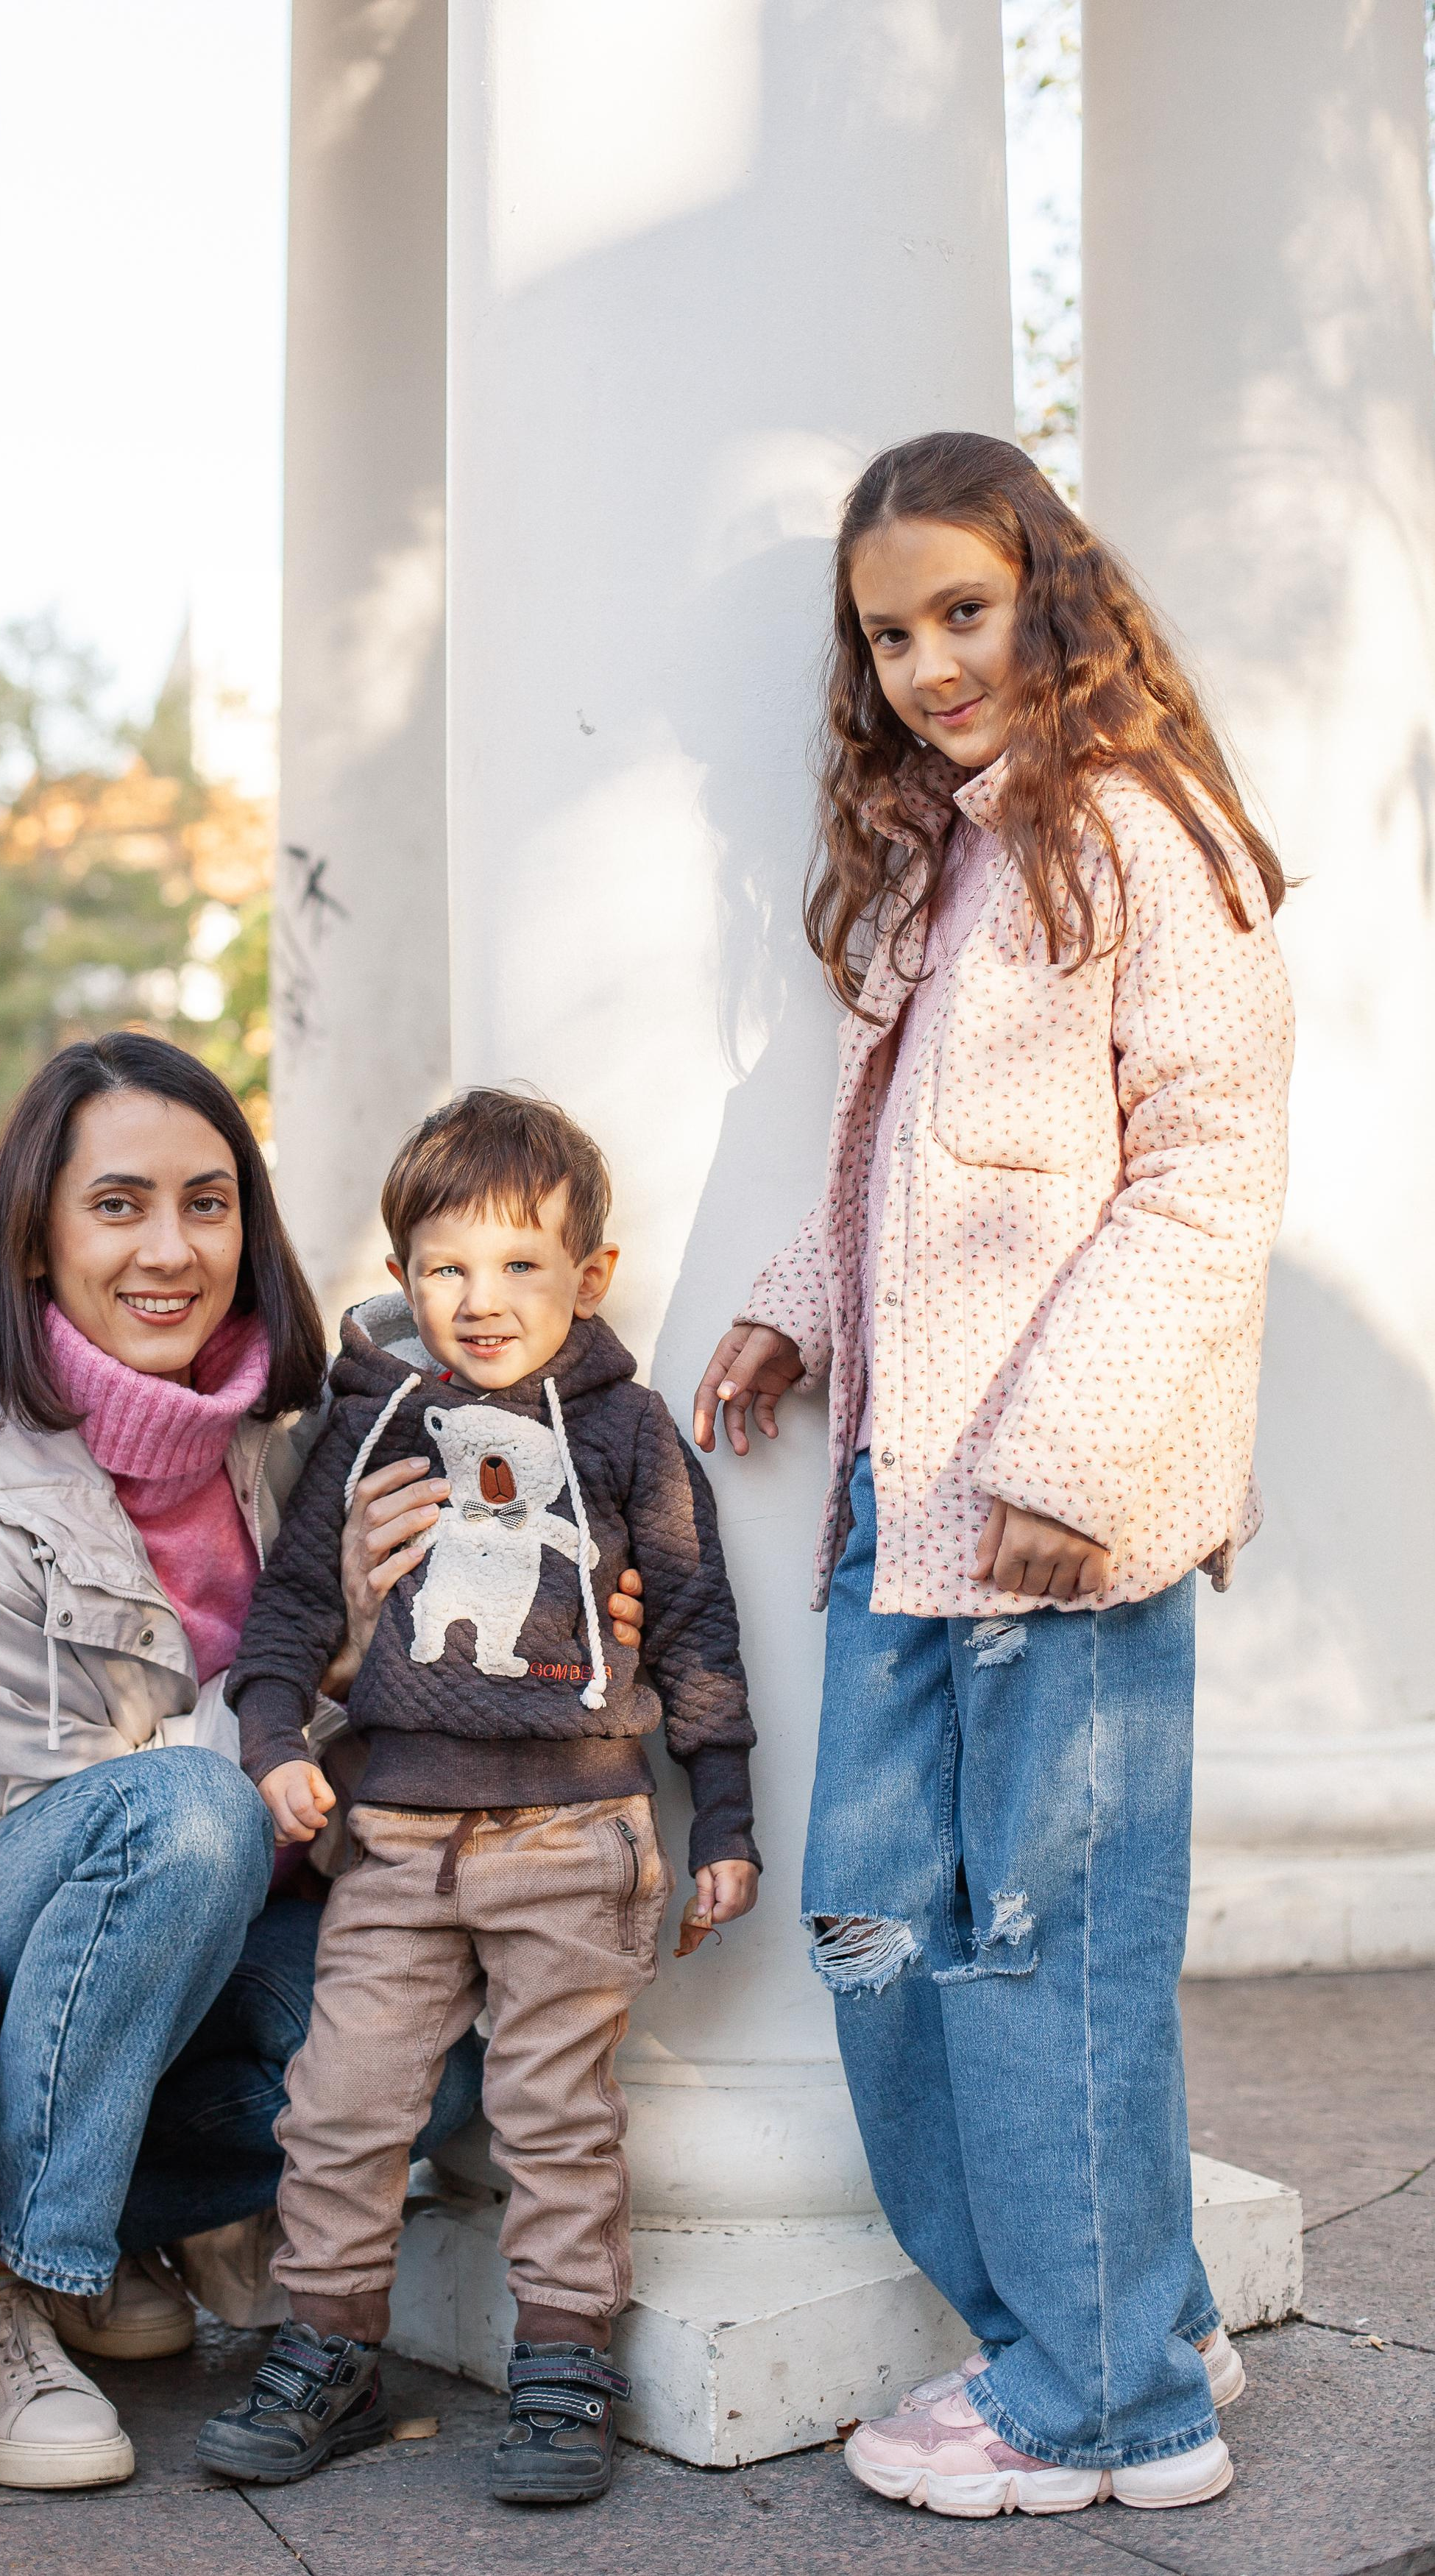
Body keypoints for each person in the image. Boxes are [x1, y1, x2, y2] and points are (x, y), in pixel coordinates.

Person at [0, 1032, 647, 2490]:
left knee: (454, 2050)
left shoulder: (291, 1449)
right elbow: (91, 1835)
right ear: (35, 1238)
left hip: (194, 1939)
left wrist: (567, 1621)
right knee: (190, 1810)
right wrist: (348, 1656)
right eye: (118, 1205)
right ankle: (9, 2274)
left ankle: (114, 2222)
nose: (173, 1247)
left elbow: (375, 1752)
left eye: (209, 1202)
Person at [693, 431, 1292, 2520]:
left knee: (1047, 1950)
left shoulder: (1145, 837)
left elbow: (1203, 1180)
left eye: (960, 607)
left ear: (1048, 589)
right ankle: (1122, 2307)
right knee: (872, 1923)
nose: (929, 660)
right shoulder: (947, 856)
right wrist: (791, 1298)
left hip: (1060, 1515)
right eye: (886, 631)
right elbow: (905, 1168)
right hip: (898, 1501)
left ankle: (1109, 2402)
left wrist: (1066, 1447)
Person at [196, 1089, 760, 2505]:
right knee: (339, 2105)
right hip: (390, 1845)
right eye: (445, 1267)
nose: (482, 1298)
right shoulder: (371, 1425)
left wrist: (728, 1815)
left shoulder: (628, 1431)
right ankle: (329, 2347)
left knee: (555, 2114)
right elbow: (288, 1613)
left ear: (590, 1275)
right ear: (398, 1281)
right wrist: (274, 1742)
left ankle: (563, 2365)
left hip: (573, 1838)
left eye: (520, 1264)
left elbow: (694, 1621)